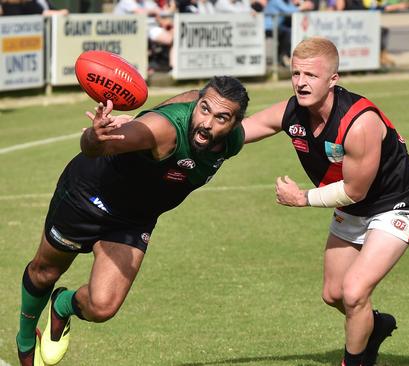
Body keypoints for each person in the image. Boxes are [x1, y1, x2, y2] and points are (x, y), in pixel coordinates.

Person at [15, 76, 249, 366]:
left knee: (102, 306)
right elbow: (95, 148)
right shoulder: (163, 130)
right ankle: (25, 339)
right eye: (204, 109)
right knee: (45, 272)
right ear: (198, 104)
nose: (208, 122)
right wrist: (95, 135)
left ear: (235, 123)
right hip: (88, 198)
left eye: (221, 117)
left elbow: (271, 120)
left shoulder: (231, 140)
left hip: (134, 218)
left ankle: (62, 306)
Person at [243, 36, 409, 366]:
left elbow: (355, 190)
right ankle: (373, 326)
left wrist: (302, 198)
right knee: (333, 294)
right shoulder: (294, 111)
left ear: (333, 79)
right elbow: (246, 128)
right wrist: (196, 135)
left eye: (311, 76)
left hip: (398, 203)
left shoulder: (358, 122)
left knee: (354, 291)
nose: (301, 84)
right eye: (296, 74)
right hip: (354, 208)